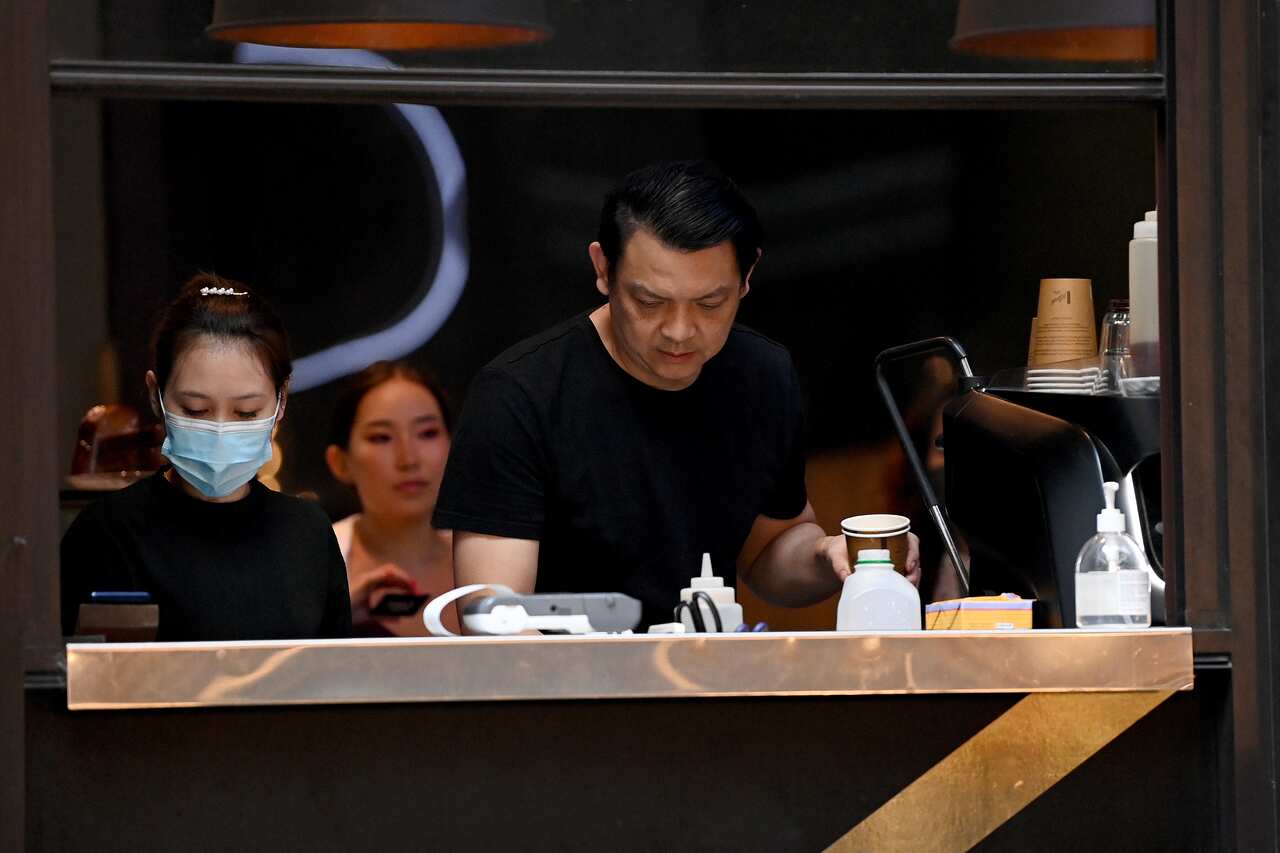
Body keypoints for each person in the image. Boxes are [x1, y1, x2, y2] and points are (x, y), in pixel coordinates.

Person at [433, 160, 919, 629]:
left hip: (703, 673)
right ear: (603, 268)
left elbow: (768, 550)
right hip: (564, 678)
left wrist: (827, 555)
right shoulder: (520, 395)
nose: (680, 331)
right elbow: (494, 618)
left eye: (710, 303)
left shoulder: (762, 376)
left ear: (747, 277)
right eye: (649, 301)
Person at [59, 273, 352, 641]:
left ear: (281, 402)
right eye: (195, 410)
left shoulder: (307, 534)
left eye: (246, 412)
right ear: (155, 396)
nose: (220, 430)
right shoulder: (108, 535)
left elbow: (334, 668)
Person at [325, 361, 457, 635]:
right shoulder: (311, 566)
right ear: (340, 462)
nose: (408, 459)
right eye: (381, 438)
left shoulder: (491, 558)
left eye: (428, 433)